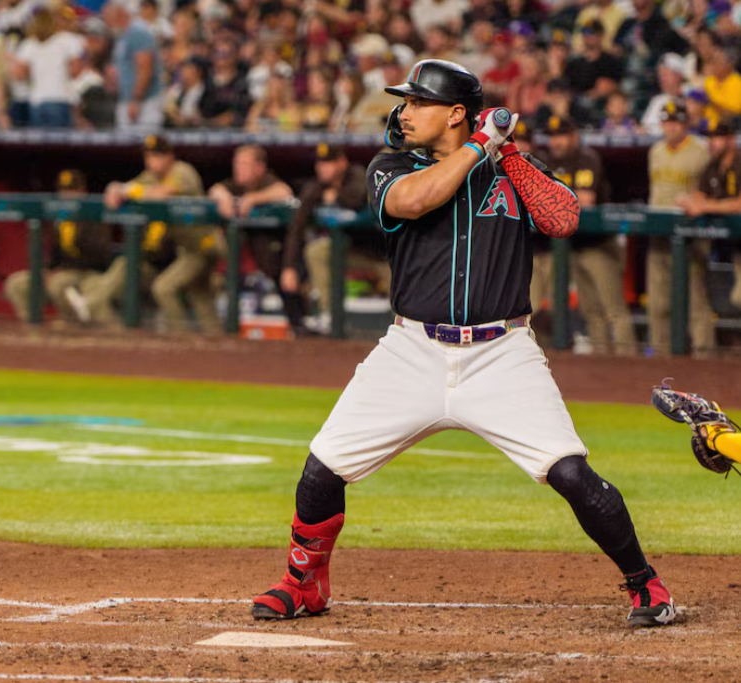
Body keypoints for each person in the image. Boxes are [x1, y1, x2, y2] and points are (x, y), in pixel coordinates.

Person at [252, 59, 676, 628]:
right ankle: (304, 584)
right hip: (412, 350)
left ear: (454, 113)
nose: (403, 112)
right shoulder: (391, 165)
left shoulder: (507, 165)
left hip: (503, 352)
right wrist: (480, 145)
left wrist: (512, 155)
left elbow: (563, 219)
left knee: (571, 472)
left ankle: (645, 584)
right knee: (321, 469)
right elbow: (413, 201)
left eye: (416, 103)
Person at [95, 135, 224, 334]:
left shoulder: (182, 170)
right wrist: (115, 188)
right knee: (200, 293)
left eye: (157, 156)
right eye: (148, 156)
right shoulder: (151, 177)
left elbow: (163, 192)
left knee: (164, 288)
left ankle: (181, 336)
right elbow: (126, 187)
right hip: (189, 248)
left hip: (205, 244)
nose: (151, 161)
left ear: (169, 157)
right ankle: (217, 339)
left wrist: (131, 190)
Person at [538, 116, 635, 355]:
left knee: (613, 310)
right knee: (591, 311)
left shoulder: (587, 158)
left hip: (598, 244)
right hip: (574, 246)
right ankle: (603, 362)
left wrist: (549, 202)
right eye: (553, 137)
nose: (556, 142)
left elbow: (586, 200)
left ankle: (629, 362)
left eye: (561, 136)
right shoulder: (548, 162)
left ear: (574, 137)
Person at [282, 144, 385, 335]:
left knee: (400, 297)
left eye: (328, 163)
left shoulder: (357, 174)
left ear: (342, 163)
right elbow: (297, 227)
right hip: (351, 251)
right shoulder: (317, 187)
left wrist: (335, 198)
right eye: (320, 164)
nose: (323, 168)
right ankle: (329, 314)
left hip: (380, 252)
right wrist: (289, 266)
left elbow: (356, 196)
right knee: (317, 250)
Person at [646, 99, 715, 358]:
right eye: (666, 122)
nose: (670, 127)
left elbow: (710, 188)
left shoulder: (701, 150)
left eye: (675, 122)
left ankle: (704, 356)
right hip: (658, 234)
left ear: (686, 123)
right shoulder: (655, 151)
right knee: (658, 302)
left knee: (695, 300)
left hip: (690, 236)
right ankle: (661, 358)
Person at [3, 169, 114, 324]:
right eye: (64, 190)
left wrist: (65, 269)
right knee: (16, 284)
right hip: (61, 272)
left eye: (72, 190)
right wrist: (47, 270)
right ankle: (32, 327)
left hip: (87, 273)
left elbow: (100, 256)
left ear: (83, 191)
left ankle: (72, 326)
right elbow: (54, 253)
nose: (67, 195)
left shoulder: (93, 215)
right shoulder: (58, 217)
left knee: (59, 283)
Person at [208, 146, 300, 329]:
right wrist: (223, 196)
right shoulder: (236, 184)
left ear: (259, 167)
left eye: (244, 164)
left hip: (277, 260)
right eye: (236, 163)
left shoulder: (266, 181)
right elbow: (215, 189)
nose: (238, 168)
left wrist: (252, 199)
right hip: (244, 265)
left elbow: (284, 191)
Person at [678, 121, 741, 311]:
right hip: (730, 242)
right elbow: (699, 197)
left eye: (718, 138)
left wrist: (705, 206)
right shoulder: (712, 166)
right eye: (709, 138)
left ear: (731, 140)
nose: (712, 143)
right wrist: (687, 200)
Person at [104, 0, 164, 130]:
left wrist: (136, 100)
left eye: (107, 17)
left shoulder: (138, 33)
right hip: (127, 100)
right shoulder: (123, 35)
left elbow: (145, 69)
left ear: (119, 14)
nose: (106, 22)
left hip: (145, 102)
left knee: (144, 145)